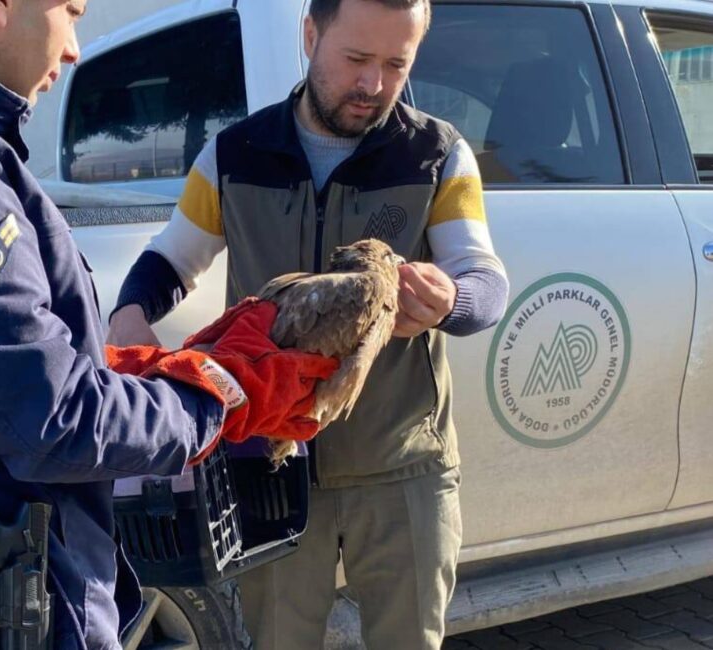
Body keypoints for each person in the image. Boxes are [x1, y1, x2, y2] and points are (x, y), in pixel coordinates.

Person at [0, 1, 338, 649]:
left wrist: (144, 372)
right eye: (71, 10)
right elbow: (50, 417)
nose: (74, 47)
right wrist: (222, 395)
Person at [107, 0, 510, 647]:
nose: (372, 85)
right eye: (355, 59)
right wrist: (129, 315)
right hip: (268, 466)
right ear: (309, 34)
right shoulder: (234, 154)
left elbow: (485, 280)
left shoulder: (438, 155)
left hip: (401, 466)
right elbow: (170, 259)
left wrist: (450, 300)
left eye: (395, 65)